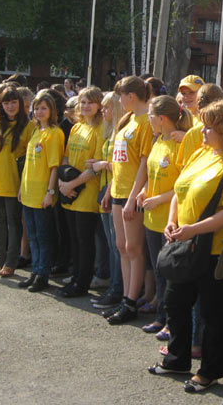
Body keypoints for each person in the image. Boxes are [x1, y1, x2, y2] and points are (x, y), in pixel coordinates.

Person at [149, 100, 223, 395]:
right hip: (185, 244)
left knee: (213, 314)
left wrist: (192, 230)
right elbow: (179, 191)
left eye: (208, 126)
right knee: (175, 303)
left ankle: (209, 371)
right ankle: (177, 358)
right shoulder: (201, 152)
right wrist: (172, 222)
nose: (203, 131)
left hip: (213, 252)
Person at [137, 95, 191, 335]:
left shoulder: (181, 144)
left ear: (161, 118)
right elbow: (151, 173)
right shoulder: (157, 141)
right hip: (151, 218)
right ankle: (160, 317)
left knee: (171, 274)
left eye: (150, 115)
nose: (148, 119)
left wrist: (159, 198)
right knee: (158, 270)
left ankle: (172, 322)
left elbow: (182, 184)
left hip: (169, 219)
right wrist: (144, 190)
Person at [104, 76, 152, 325]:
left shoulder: (145, 122)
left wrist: (133, 197)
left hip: (132, 193)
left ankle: (132, 300)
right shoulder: (128, 120)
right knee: (121, 246)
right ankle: (125, 296)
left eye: (121, 96)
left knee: (134, 248)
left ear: (130, 96)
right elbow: (119, 162)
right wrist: (110, 189)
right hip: (118, 191)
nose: (119, 101)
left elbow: (144, 163)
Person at [0, 85, 35, 276]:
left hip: (14, 183)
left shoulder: (28, 126)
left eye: (14, 102)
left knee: (13, 222)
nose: (10, 106)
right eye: (6, 103)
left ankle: (11, 261)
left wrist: (23, 185)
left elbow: (29, 158)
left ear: (20, 104)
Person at [57, 86, 106, 297]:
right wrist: (63, 181)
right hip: (70, 190)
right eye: (83, 102)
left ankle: (82, 282)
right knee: (74, 239)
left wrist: (71, 184)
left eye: (90, 102)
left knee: (85, 241)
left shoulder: (100, 129)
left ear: (99, 105)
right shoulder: (77, 128)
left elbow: (93, 169)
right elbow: (66, 157)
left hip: (86, 192)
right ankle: (75, 276)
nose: (86, 106)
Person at [18, 91, 63, 293]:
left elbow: (55, 166)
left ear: (51, 110)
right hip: (28, 190)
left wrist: (50, 192)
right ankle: (35, 270)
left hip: (42, 192)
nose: (39, 111)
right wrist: (21, 188)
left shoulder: (54, 133)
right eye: (36, 108)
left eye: (43, 108)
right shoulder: (36, 131)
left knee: (44, 236)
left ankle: (43, 274)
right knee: (33, 235)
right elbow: (28, 163)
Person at [91, 90, 125, 310]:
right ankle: (113, 285)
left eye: (107, 107)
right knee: (110, 243)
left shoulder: (121, 132)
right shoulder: (109, 131)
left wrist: (103, 165)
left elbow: (123, 166)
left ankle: (117, 288)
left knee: (116, 245)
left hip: (114, 189)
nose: (103, 111)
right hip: (106, 187)